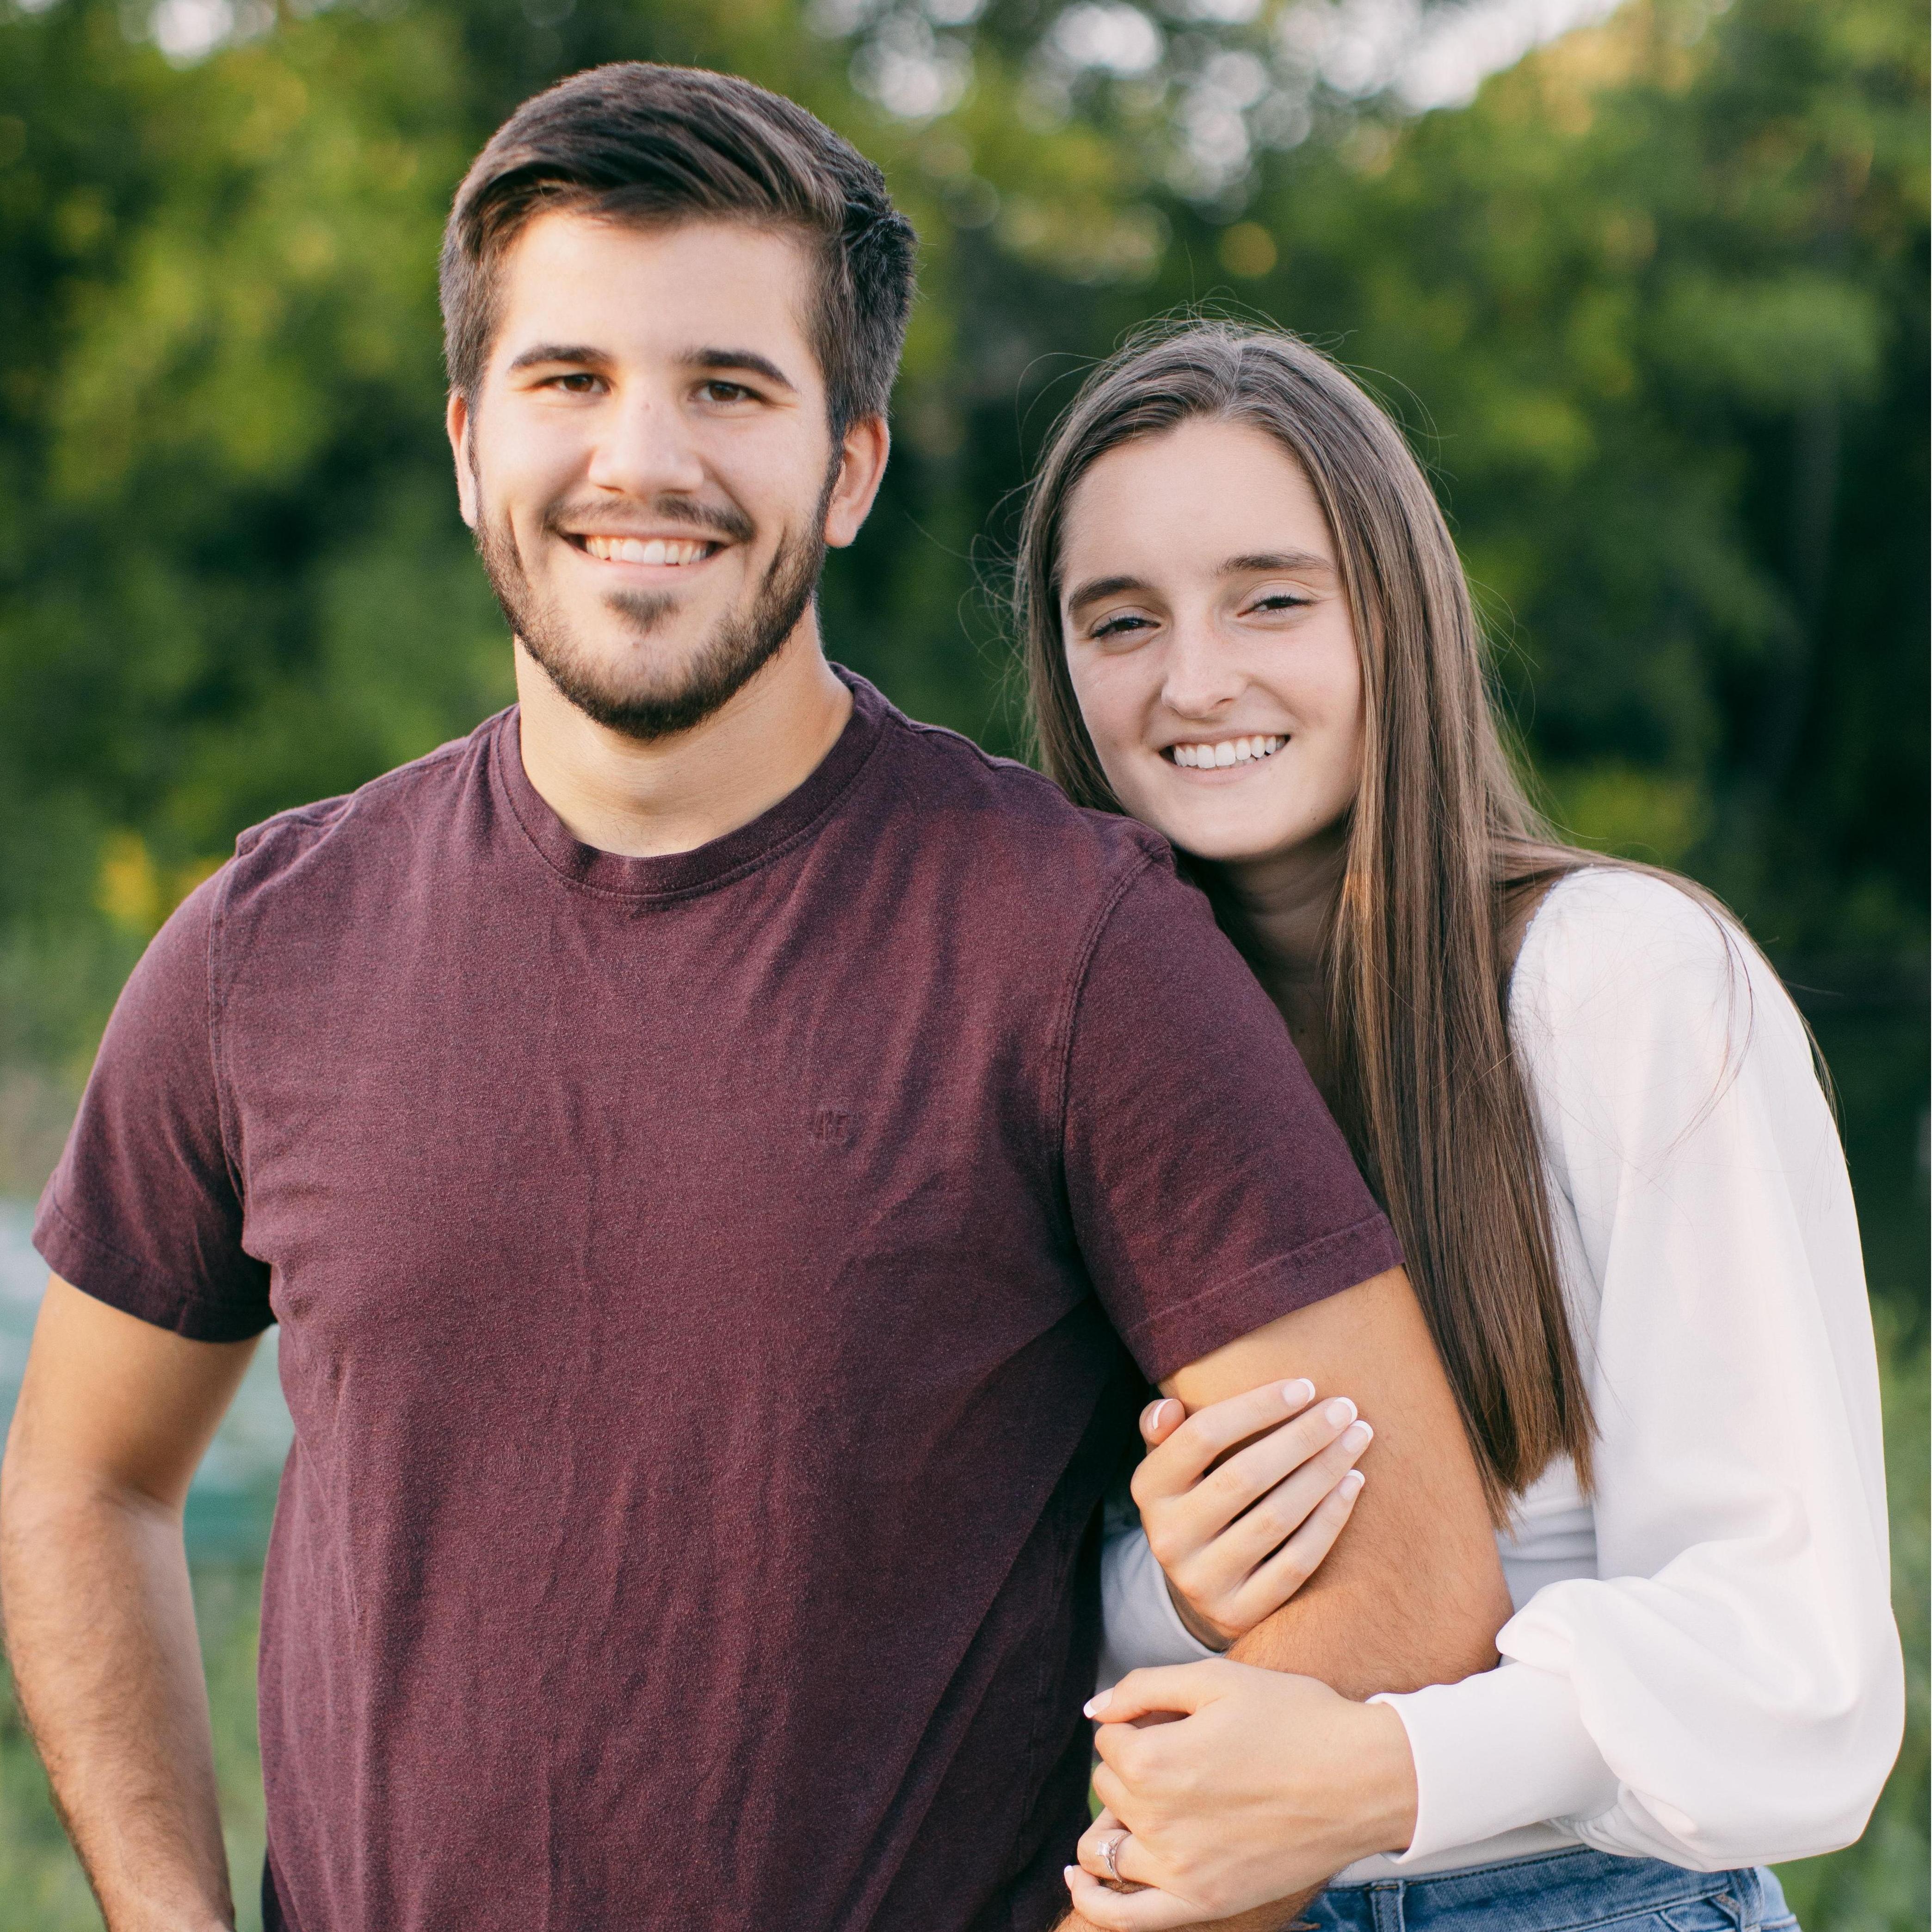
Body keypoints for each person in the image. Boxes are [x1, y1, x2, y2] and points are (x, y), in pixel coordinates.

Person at [0, 72, 1511, 1932]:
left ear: (849, 462)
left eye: (729, 386)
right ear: (471, 444)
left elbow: (1419, 1576)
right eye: (571, 383)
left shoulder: (1068, 944)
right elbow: (84, 1481)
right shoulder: (264, 946)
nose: (644, 461)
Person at [1008, 322, 1904, 1932]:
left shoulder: (1618, 984)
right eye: (1119, 621)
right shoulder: (1061, 1061)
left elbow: (1798, 1664)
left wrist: (1389, 1770)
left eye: (1270, 598)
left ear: (1396, 616)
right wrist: (1197, 1596)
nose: (1193, 679)